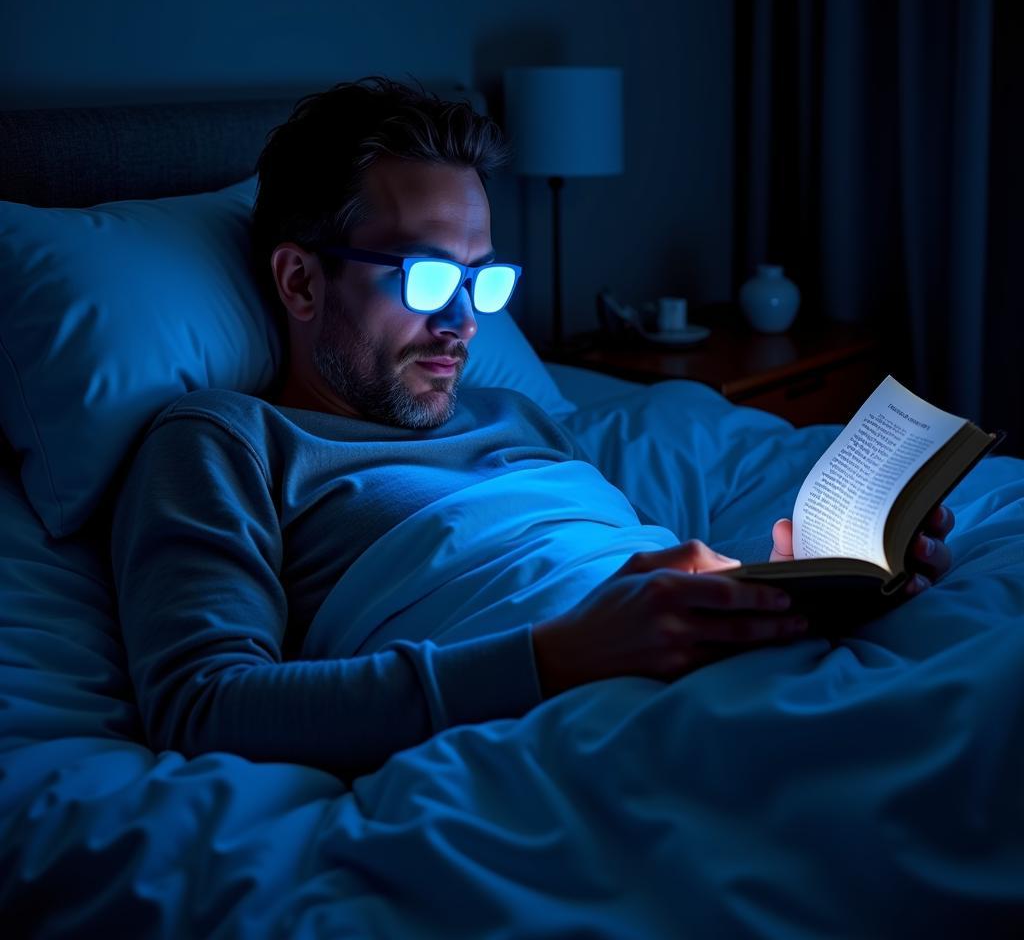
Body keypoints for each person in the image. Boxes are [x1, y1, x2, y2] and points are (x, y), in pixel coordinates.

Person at [110, 76, 953, 780]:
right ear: (299, 283)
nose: (466, 325)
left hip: (725, 676)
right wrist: (553, 658)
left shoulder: (515, 413)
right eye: (430, 277)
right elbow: (203, 706)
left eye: (482, 282)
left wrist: (794, 587)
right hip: (571, 729)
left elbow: (613, 576)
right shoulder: (224, 441)